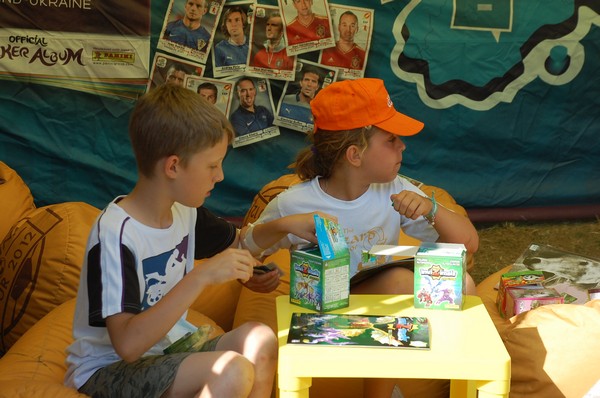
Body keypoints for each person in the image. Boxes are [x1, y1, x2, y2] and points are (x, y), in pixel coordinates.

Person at [64, 84, 323, 398]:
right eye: (212, 165)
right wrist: (203, 275)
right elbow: (128, 346)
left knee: (260, 338)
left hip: (169, 352)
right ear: (173, 166)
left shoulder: (185, 211)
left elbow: (242, 247)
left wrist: (284, 226)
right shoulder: (116, 236)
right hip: (107, 370)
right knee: (231, 369)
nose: (221, 176)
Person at [252, 78, 479, 398]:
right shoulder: (293, 202)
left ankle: (454, 384)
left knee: (464, 284)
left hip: (378, 315)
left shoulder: (393, 188)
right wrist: (280, 228)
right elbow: (246, 251)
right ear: (355, 155)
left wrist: (430, 208)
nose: (403, 146)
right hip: (321, 318)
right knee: (400, 282)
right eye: (391, 140)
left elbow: (468, 245)